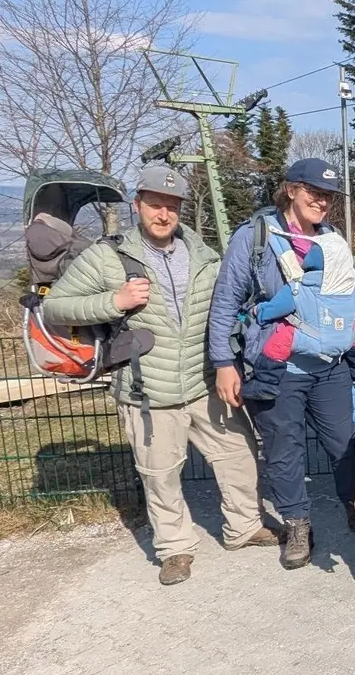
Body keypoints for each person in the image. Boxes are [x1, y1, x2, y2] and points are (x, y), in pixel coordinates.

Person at [45, 167, 277, 586]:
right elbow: (56, 307)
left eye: (172, 206)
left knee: (240, 455)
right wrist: (112, 301)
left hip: (205, 382)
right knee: (160, 475)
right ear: (138, 205)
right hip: (146, 390)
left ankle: (243, 528)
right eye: (155, 204)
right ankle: (175, 549)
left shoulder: (204, 255)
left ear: (181, 210)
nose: (164, 213)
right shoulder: (106, 256)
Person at [209, 158, 355, 570]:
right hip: (276, 368)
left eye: (328, 195)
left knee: (346, 443)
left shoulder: (331, 239)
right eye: (314, 192)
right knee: (283, 451)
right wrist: (224, 361)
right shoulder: (255, 237)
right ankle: (298, 524)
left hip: (329, 365)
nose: (322, 201)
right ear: (291, 189)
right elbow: (226, 299)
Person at [248, 236, 355, 399]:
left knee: (282, 340)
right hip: (344, 341)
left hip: (310, 342)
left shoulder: (298, 288)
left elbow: (275, 309)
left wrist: (259, 312)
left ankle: (266, 383)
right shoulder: (351, 289)